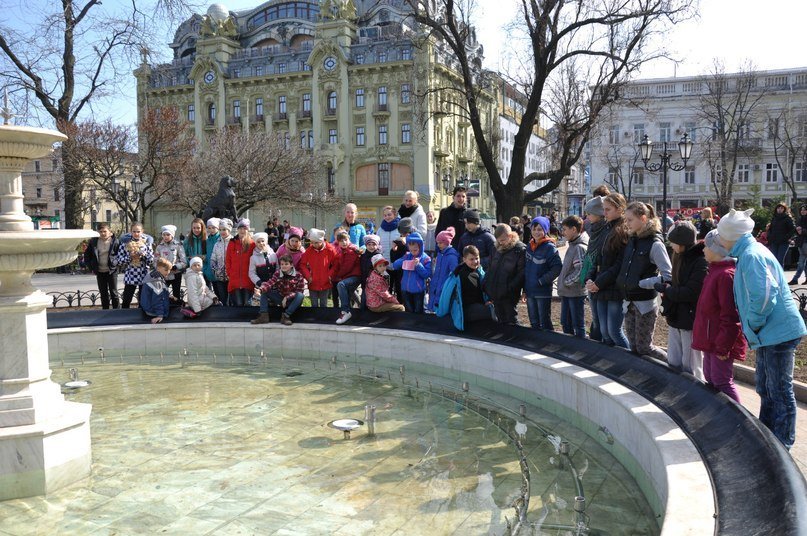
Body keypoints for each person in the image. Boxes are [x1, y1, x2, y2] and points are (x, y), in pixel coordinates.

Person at [718, 208, 807, 449]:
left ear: (733, 235)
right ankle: (768, 437)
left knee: (778, 390)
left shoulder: (751, 256)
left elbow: (765, 297)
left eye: (721, 235)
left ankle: (782, 446)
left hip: (776, 332)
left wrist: (754, 325)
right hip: (770, 333)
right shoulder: (747, 252)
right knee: (766, 387)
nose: (718, 240)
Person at [691, 230, 747, 403]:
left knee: (721, 381)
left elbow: (731, 315)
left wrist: (724, 346)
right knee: (710, 377)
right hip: (711, 339)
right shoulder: (714, 272)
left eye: (706, 247)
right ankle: (718, 415)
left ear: (718, 250)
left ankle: (740, 421)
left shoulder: (725, 275)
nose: (703, 250)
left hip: (720, 342)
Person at [617, 202, 671, 360]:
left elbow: (668, 275)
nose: (626, 224)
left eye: (630, 220)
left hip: (645, 305)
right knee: (633, 347)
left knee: (644, 347)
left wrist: (643, 283)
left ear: (643, 218)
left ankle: (672, 366)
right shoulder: (632, 240)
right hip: (629, 302)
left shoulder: (655, 244)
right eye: (625, 220)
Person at [658, 221, 707, 379]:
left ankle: (695, 393)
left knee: (691, 364)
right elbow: (678, 282)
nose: (671, 246)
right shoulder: (678, 256)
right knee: (674, 359)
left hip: (689, 318)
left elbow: (691, 292)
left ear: (683, 243)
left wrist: (668, 290)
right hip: (677, 316)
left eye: (673, 243)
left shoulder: (699, 261)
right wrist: (668, 285)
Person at [585, 193, 630, 349]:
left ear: (620, 209)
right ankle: (612, 363)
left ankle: (629, 364)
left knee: (615, 332)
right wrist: (590, 279)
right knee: (604, 331)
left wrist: (598, 282)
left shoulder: (622, 231)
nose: (604, 213)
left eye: (608, 210)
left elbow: (619, 264)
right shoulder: (607, 228)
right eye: (604, 210)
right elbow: (597, 257)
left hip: (613, 288)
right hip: (601, 286)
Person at [436, 245, 493, 330]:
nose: (475, 261)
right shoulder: (458, 276)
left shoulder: (479, 272)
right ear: (464, 259)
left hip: (478, 305)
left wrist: (488, 300)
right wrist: (441, 311)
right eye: (471, 259)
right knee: (491, 312)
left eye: (477, 258)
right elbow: (446, 295)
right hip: (465, 310)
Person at [524, 216, 562, 330]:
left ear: (545, 231)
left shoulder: (549, 248)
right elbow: (526, 269)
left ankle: (549, 343)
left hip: (542, 291)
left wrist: (541, 281)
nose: (536, 232)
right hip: (530, 290)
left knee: (544, 320)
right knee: (533, 321)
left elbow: (557, 268)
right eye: (534, 229)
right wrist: (525, 289)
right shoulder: (529, 247)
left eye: (540, 229)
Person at [483, 224, 526, 325]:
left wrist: (509, 287)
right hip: (495, 290)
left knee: (511, 319)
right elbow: (490, 268)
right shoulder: (495, 248)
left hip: (509, 293)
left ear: (510, 236)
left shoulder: (519, 249)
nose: (500, 243)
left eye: (503, 240)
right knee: (500, 319)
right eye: (498, 240)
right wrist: (486, 284)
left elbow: (521, 273)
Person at [251, 254, 306, 326]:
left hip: (291, 301)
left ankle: (286, 316)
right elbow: (270, 283)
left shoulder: (298, 275)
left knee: (300, 295)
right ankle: (263, 316)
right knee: (265, 291)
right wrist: (260, 290)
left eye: (286, 264)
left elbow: (299, 290)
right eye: (282, 264)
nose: (284, 266)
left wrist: (287, 297)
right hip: (280, 298)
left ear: (291, 265)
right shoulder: (278, 273)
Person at [557, 216, 589, 338]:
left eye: (565, 229)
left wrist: (566, 282)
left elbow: (581, 271)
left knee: (577, 324)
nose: (563, 232)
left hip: (575, 293)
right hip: (568, 292)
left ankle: (580, 348)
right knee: (566, 322)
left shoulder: (579, 247)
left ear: (574, 229)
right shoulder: (572, 245)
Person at [581, 196, 607, 341]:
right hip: (591, 278)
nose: (587, 217)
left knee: (604, 325)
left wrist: (593, 279)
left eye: (589, 213)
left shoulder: (604, 231)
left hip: (599, 281)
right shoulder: (594, 229)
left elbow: (597, 256)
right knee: (596, 320)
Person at [391, 231, 431, 313]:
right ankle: (410, 324)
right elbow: (395, 265)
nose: (413, 252)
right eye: (411, 250)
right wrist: (403, 261)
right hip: (405, 289)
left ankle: (418, 325)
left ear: (420, 247)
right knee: (408, 310)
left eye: (415, 250)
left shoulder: (426, 258)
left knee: (418, 311)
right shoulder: (407, 255)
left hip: (418, 291)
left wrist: (418, 265)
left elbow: (427, 274)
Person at [116, 222, 154, 309]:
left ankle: (142, 316)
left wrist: (143, 256)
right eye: (134, 231)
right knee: (127, 299)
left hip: (144, 274)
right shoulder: (125, 242)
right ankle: (124, 316)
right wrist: (130, 257)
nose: (136, 234)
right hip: (131, 274)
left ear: (142, 231)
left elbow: (151, 259)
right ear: (130, 232)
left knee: (143, 299)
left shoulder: (147, 242)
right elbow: (119, 260)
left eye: (138, 231)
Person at [84, 223, 120, 309]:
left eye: (105, 231)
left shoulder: (115, 241)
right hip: (100, 272)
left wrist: (116, 264)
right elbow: (87, 255)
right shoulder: (94, 242)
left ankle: (117, 312)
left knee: (113, 292)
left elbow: (120, 255)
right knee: (103, 293)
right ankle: (105, 312)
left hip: (112, 271)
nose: (103, 233)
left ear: (110, 232)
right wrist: (91, 267)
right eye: (101, 231)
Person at [299, 228, 337, 308]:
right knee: (314, 305)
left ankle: (323, 319)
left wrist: (329, 275)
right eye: (312, 242)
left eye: (316, 243)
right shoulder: (309, 250)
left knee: (323, 304)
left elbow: (336, 264)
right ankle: (314, 319)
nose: (313, 245)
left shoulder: (330, 249)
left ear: (322, 241)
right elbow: (302, 264)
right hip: (312, 281)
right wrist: (308, 276)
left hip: (326, 282)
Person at [332, 231, 362, 324]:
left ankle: (345, 311)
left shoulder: (350, 251)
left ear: (349, 240)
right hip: (349, 276)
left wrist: (337, 277)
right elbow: (338, 266)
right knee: (349, 291)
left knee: (341, 284)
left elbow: (347, 267)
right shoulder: (342, 251)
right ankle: (361, 305)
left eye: (345, 240)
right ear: (338, 243)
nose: (344, 242)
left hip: (355, 276)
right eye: (341, 241)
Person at [427, 227, 459, 313]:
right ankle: (432, 310)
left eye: (440, 243)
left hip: (443, 285)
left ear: (447, 242)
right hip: (436, 283)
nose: (438, 245)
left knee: (441, 304)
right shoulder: (440, 254)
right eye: (437, 243)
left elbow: (454, 273)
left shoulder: (452, 257)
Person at [226, 218, 256, 307]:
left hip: (248, 278)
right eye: (240, 228)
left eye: (245, 228)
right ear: (237, 229)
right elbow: (228, 259)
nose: (242, 230)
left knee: (247, 303)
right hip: (235, 278)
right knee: (238, 303)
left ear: (248, 230)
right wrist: (230, 272)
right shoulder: (232, 243)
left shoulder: (252, 244)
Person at [154, 225, 187, 302]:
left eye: (168, 235)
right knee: (162, 293)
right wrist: (160, 269)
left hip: (175, 274)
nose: (165, 237)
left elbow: (184, 261)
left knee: (176, 294)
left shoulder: (178, 245)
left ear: (172, 235)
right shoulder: (159, 247)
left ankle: (176, 310)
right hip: (163, 274)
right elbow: (155, 260)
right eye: (164, 235)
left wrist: (176, 266)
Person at [140, 257, 172, 324]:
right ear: (158, 268)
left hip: (149, 307)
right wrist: (160, 315)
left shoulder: (153, 275)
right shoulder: (156, 281)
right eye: (166, 270)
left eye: (169, 270)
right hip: (153, 311)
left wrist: (168, 295)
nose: (168, 272)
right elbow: (157, 299)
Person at [210, 218, 233, 306]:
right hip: (219, 276)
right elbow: (213, 258)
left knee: (231, 298)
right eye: (220, 230)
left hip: (230, 276)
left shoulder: (233, 242)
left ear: (229, 230)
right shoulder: (217, 243)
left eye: (224, 229)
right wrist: (214, 269)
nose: (222, 232)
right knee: (222, 298)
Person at [248, 232, 277, 301]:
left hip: (274, 285)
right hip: (261, 286)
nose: (261, 243)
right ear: (255, 243)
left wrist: (275, 280)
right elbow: (251, 273)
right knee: (263, 304)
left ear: (266, 241)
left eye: (262, 241)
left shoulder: (273, 255)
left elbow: (278, 269)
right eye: (258, 242)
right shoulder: (253, 258)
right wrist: (259, 282)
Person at [767, 202, 796, 268]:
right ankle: (774, 276)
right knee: (773, 259)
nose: (779, 209)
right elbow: (770, 229)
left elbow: (792, 229)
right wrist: (769, 237)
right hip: (774, 242)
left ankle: (780, 277)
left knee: (780, 260)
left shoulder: (788, 218)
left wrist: (786, 238)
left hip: (783, 242)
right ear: (776, 209)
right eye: (778, 208)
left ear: (784, 209)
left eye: (781, 208)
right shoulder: (774, 218)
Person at [360, 234, 381, 308]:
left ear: (377, 245)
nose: (371, 247)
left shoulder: (378, 256)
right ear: (366, 245)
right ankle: (363, 316)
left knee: (373, 303)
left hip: (375, 284)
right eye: (369, 244)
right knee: (363, 301)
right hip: (365, 283)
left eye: (374, 244)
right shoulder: (363, 256)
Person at [790, 204, 807, 285]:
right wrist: (797, 230)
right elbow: (796, 230)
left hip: (805, 242)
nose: (803, 211)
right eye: (802, 210)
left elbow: (802, 231)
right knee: (802, 263)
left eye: (804, 210)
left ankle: (795, 279)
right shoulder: (800, 219)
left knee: (802, 263)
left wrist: (802, 231)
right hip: (800, 243)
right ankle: (796, 279)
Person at [203, 218, 220, 289]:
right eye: (209, 228)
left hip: (219, 271)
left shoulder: (220, 239)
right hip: (209, 270)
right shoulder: (208, 240)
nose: (211, 230)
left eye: (213, 228)